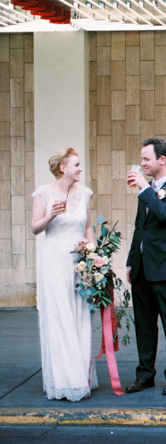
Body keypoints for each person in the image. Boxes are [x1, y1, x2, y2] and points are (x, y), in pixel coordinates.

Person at [125, 137, 166, 395]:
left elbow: (164, 214)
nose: (142, 164)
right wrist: (131, 261)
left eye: (146, 159)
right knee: (143, 324)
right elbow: (139, 228)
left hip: (165, 267)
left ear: (161, 160)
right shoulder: (147, 190)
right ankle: (145, 375)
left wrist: (144, 189)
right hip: (141, 268)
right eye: (141, 159)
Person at [31, 148, 97, 401]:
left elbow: (88, 227)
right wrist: (50, 215)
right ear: (63, 168)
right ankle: (64, 380)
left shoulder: (85, 194)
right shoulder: (43, 193)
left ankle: (81, 375)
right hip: (54, 261)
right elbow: (35, 228)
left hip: (79, 262)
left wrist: (94, 258)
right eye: (77, 165)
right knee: (59, 316)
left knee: (79, 314)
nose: (80, 169)